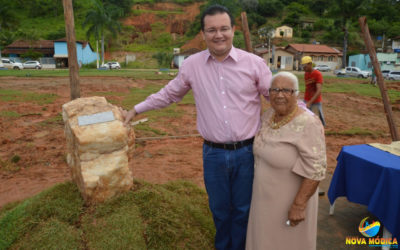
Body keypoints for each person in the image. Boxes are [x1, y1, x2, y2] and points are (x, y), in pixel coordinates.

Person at [120, 4, 272, 249]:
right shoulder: (192, 65)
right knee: (220, 209)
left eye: (224, 28)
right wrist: (136, 109)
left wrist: (303, 115)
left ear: (233, 30)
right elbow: (169, 94)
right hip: (213, 154)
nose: (218, 35)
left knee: (244, 209)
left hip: (248, 151)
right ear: (203, 34)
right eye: (211, 30)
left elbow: (276, 96)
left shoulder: (254, 64)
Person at [246, 72, 326, 250]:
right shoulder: (268, 115)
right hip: (264, 200)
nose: (280, 95)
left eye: (286, 90)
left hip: (290, 202)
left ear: (296, 93)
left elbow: (317, 168)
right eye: (275, 89)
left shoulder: (308, 123)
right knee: (263, 240)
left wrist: (299, 205)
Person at [301, 56, 326, 126]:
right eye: (302, 66)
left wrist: (310, 102)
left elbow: (319, 91)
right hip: (306, 100)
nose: (303, 68)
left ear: (309, 64)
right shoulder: (306, 74)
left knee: (318, 122)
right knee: (306, 120)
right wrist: (306, 101)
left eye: (304, 66)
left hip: (315, 102)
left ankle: (320, 135)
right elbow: (308, 88)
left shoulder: (317, 74)